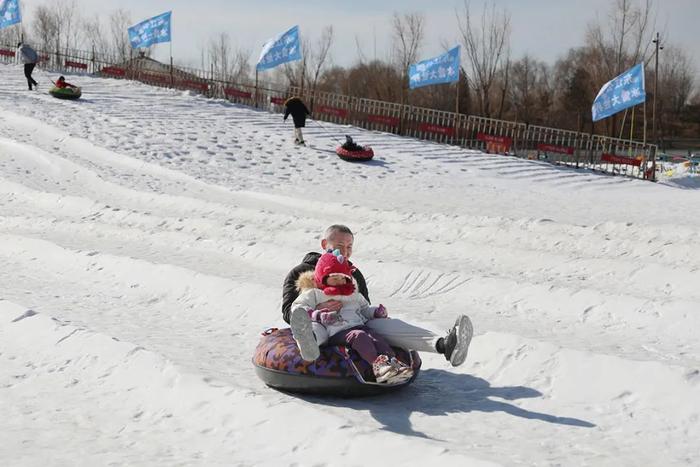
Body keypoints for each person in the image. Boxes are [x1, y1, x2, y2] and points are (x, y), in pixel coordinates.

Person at [282, 224, 473, 367]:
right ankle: (309, 342)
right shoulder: (300, 272)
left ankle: (443, 345)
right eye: (340, 245)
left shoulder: (354, 273)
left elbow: (362, 307)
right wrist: (317, 311)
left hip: (352, 323)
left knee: (386, 325)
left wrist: (376, 313)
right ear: (325, 244)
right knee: (313, 327)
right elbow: (288, 310)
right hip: (319, 324)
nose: (346, 251)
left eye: (349, 246)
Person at [290, 249, 414, 384]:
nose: (339, 281)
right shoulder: (316, 293)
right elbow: (298, 307)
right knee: (358, 335)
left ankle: (392, 363)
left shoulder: (353, 294)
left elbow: (364, 310)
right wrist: (318, 315)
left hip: (358, 325)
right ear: (322, 277)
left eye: (343, 278)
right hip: (336, 331)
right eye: (335, 278)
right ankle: (378, 367)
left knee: (376, 337)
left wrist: (375, 312)